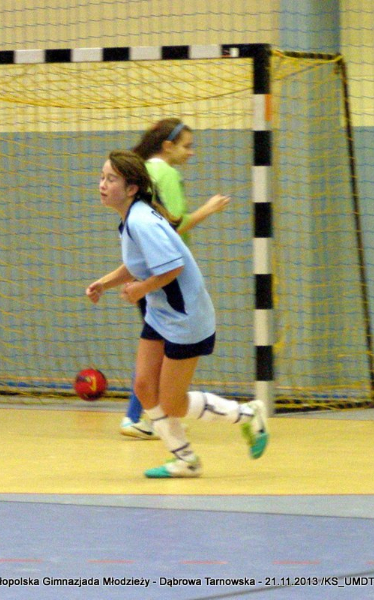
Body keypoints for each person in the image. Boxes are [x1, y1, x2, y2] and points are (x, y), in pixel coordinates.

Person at [86, 150, 268, 478]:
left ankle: (247, 414)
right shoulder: (132, 218)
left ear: (131, 188)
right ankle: (185, 460)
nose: (102, 184)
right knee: (144, 387)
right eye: (102, 177)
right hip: (162, 314)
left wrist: (140, 290)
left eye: (111, 179)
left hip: (186, 318)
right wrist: (105, 283)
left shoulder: (141, 221)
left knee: (172, 403)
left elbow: (172, 267)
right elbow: (138, 264)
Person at [120, 118, 230, 439]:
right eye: (187, 146)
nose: (191, 153)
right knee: (163, 352)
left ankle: (145, 417)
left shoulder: (143, 171)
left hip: (148, 269)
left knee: (152, 350)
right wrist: (208, 209)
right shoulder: (165, 173)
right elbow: (174, 225)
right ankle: (144, 417)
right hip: (167, 276)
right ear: (167, 146)